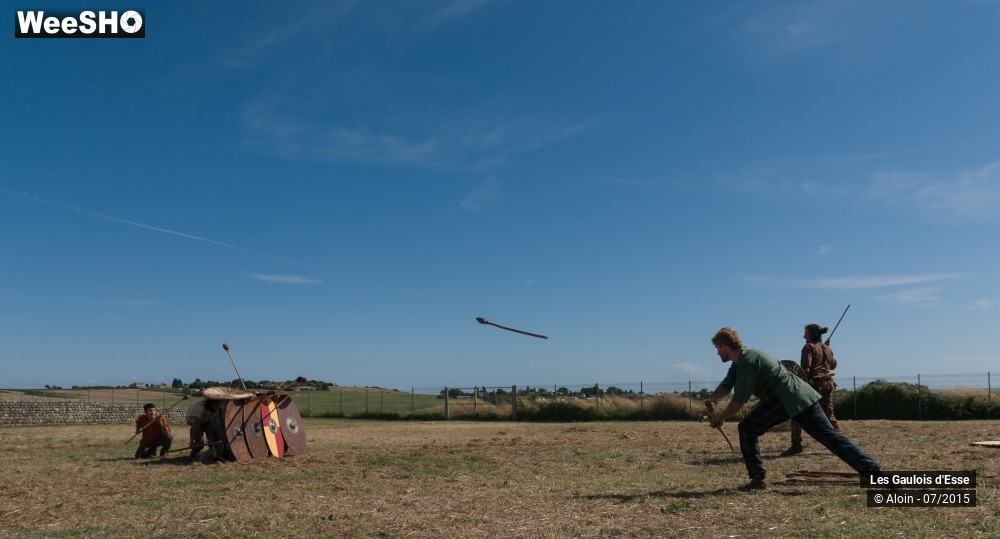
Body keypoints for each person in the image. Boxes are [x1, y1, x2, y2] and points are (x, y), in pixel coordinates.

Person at [705, 327, 882, 491]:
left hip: (785, 396)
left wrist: (721, 417)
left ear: (724, 346)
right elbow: (728, 383)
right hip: (799, 394)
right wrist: (714, 397)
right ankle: (874, 471)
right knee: (830, 436)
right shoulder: (741, 359)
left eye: (717, 348)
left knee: (747, 428)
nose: (717, 352)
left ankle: (757, 479)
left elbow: (738, 401)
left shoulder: (747, 361)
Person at [781, 323, 839, 456]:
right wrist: (826, 349)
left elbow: (805, 370)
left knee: (797, 414)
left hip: (814, 386)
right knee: (829, 415)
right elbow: (833, 365)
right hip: (828, 384)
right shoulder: (828, 349)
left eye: (806, 334)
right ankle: (842, 444)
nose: (803, 337)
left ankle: (796, 445)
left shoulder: (808, 347)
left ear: (812, 335)